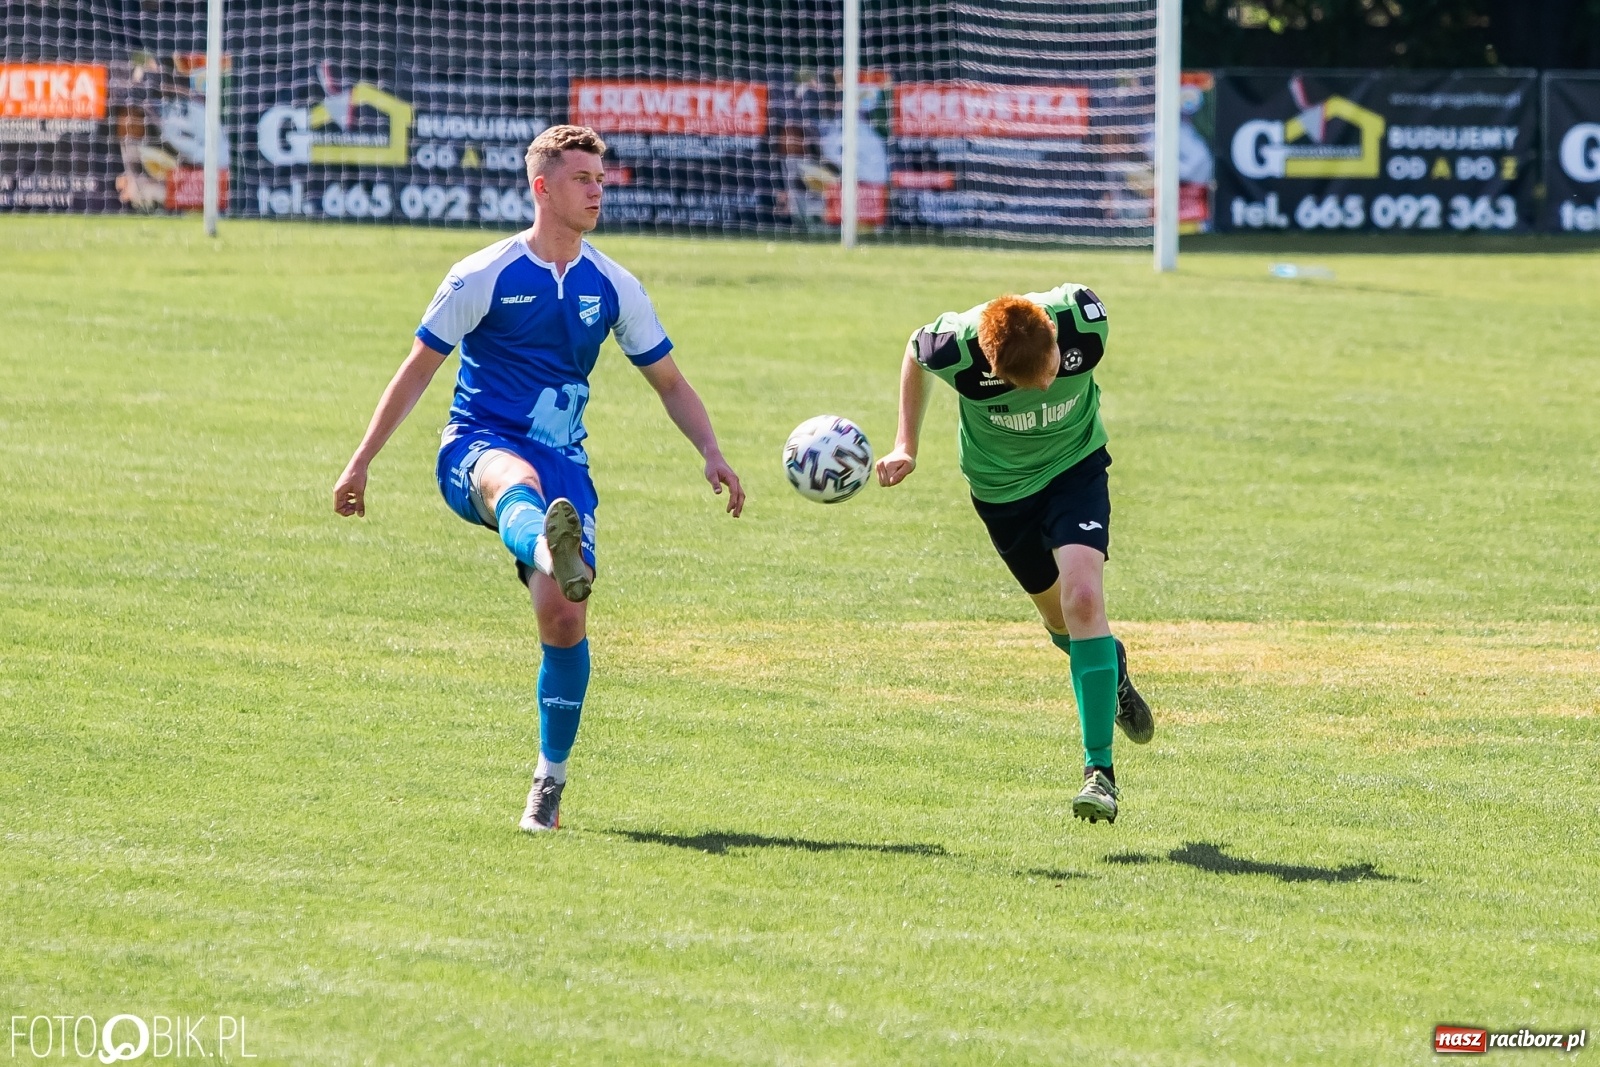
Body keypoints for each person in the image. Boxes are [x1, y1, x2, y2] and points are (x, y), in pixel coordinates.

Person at [332, 125, 745, 832]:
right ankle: (550, 546)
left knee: (564, 617)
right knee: (513, 478)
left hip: (566, 468)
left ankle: (548, 786)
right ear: (543, 188)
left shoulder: (613, 285)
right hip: (477, 448)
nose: (596, 190)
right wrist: (361, 460)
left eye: (601, 179)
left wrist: (711, 449)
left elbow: (670, 382)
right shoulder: (483, 274)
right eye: (583, 178)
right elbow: (417, 372)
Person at [874, 285, 1153, 824]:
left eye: (1051, 369)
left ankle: (1100, 773)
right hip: (1002, 493)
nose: (1047, 384)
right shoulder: (955, 345)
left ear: (1055, 337)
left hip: (1075, 471)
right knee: (1064, 627)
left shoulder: (1084, 322)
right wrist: (906, 442)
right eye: (1029, 384)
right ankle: (1109, 669)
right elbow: (914, 351)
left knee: (1084, 600)